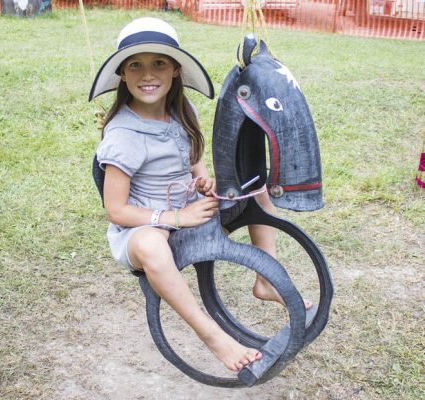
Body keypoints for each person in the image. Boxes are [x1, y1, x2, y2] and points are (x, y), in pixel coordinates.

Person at [91, 17, 309, 372]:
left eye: (159, 63)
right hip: (143, 226)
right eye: (136, 65)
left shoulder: (182, 111)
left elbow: (192, 157)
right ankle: (212, 336)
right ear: (122, 74)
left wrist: (203, 180)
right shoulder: (123, 136)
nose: (148, 74)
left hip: (188, 208)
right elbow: (116, 210)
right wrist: (176, 218)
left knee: (255, 187)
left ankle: (266, 280)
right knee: (150, 245)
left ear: (176, 69)